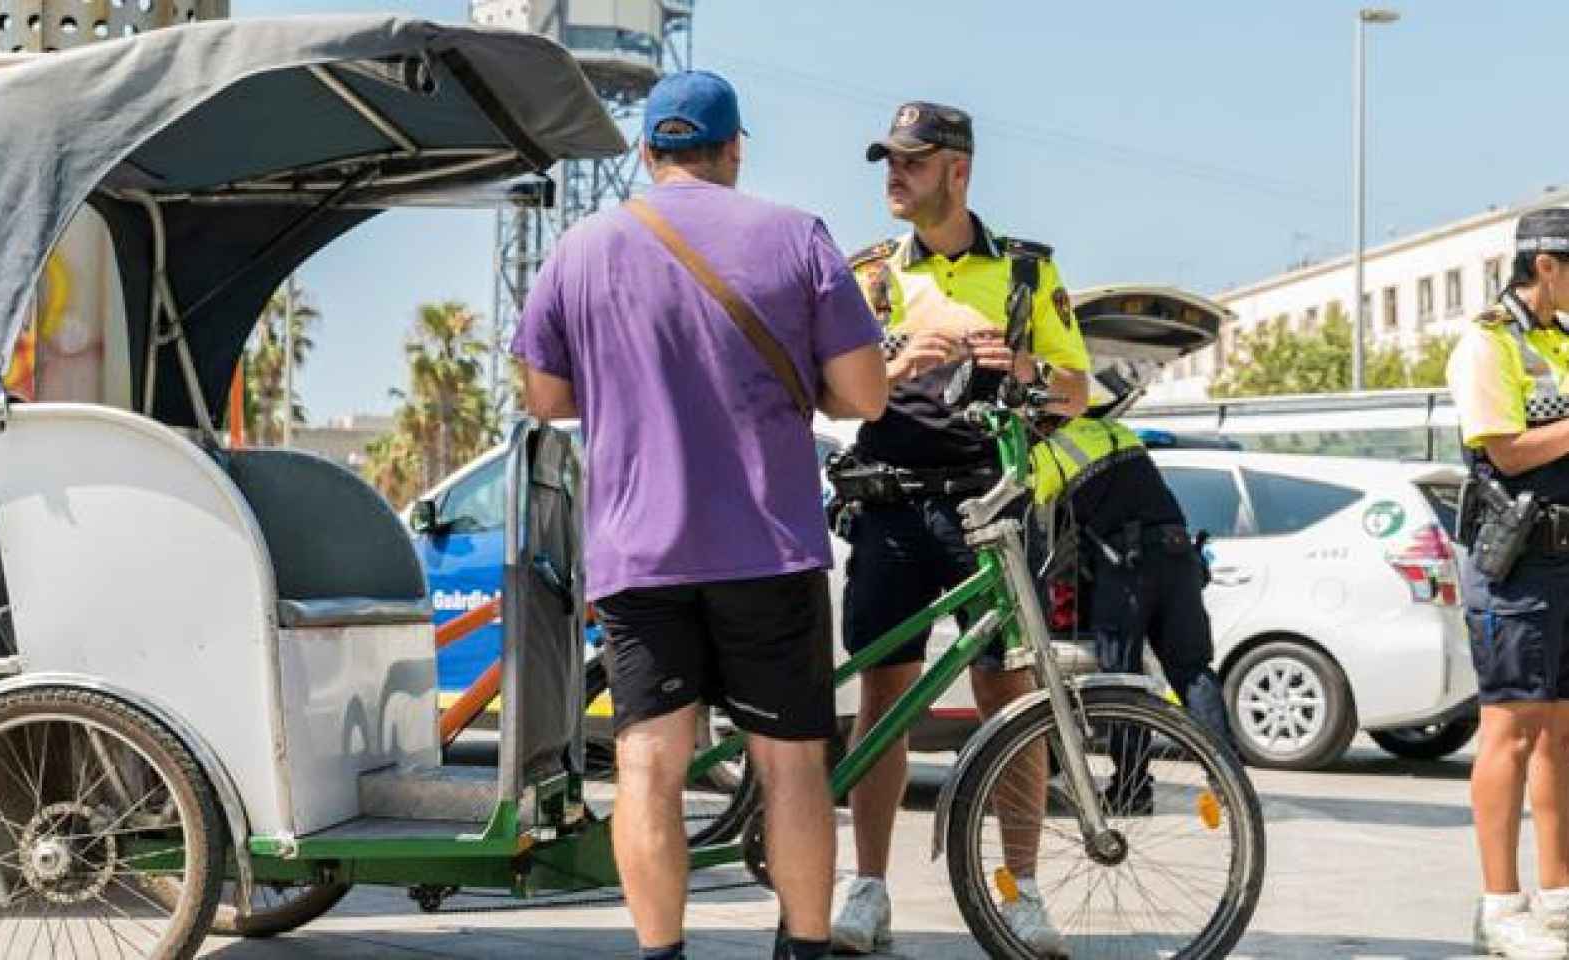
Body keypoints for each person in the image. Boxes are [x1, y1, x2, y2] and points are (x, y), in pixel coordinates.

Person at [512, 70, 888, 960]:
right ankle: (800, 949)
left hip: (640, 552)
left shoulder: (581, 248)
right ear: (733, 150)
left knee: (649, 760)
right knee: (791, 759)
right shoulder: (797, 236)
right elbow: (865, 394)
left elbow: (545, 396)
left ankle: (661, 955)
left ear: (647, 152)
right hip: (769, 546)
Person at [829, 101, 1089, 957]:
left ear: (959, 170)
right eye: (888, 161)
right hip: (890, 505)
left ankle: (1021, 893)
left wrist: (1016, 367)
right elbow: (828, 390)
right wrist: (902, 361)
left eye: (911, 160)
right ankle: (867, 890)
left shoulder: (1026, 272)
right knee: (883, 700)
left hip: (991, 505)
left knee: (1010, 706)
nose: (893, 175)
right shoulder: (867, 273)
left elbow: (1075, 393)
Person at [1446, 207, 1569, 959]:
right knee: (1512, 731)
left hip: (1565, 559)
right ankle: (1500, 906)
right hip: (1516, 561)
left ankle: (1558, 896)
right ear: (1545, 266)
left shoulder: (1562, 342)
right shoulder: (1488, 341)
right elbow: (1506, 450)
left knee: (1559, 732)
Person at [1029, 409, 1236, 813]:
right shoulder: (1117, 430)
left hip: (1128, 564)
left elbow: (1034, 520)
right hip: (1179, 553)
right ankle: (1231, 783)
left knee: (1122, 681)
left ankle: (1131, 790)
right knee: (1192, 670)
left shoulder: (1048, 452)